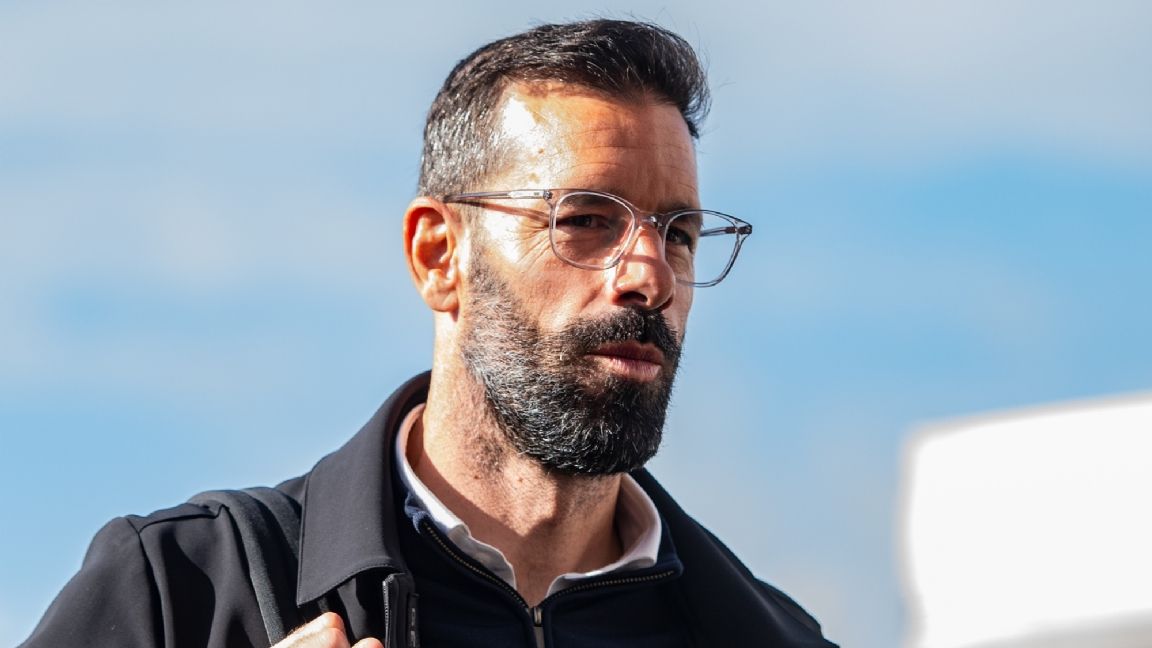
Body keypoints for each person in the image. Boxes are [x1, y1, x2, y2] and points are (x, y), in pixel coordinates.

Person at [21, 19, 837, 648]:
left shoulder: (768, 636)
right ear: (439, 256)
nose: (649, 276)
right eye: (586, 220)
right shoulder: (182, 592)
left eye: (680, 234)